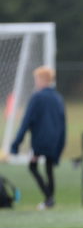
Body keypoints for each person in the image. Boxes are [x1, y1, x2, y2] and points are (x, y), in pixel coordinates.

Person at [10, 66, 66, 209]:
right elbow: (63, 123)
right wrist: (61, 143)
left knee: (33, 166)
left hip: (40, 140)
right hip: (55, 140)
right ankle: (49, 200)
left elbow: (26, 121)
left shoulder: (37, 97)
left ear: (42, 79)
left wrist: (16, 144)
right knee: (49, 169)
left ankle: (48, 197)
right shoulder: (58, 98)